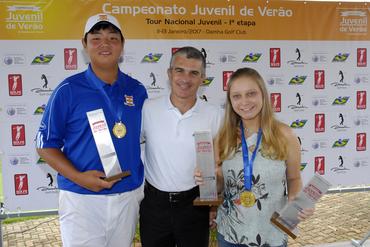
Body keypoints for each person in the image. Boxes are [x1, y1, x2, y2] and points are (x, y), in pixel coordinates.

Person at [35, 13, 147, 247]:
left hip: (127, 195)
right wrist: (79, 178)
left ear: (122, 45)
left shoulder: (137, 90)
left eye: (113, 38)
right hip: (81, 199)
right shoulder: (67, 90)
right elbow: (45, 145)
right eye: (96, 38)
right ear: (84, 45)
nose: (105, 44)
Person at [195, 67, 314, 247]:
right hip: (230, 234)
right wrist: (208, 178)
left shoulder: (285, 135)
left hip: (271, 234)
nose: (244, 102)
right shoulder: (223, 137)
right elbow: (220, 185)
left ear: (263, 95)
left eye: (251, 93)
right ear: (230, 101)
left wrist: (296, 200)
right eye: (237, 96)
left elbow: (294, 177)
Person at [139, 46, 222, 247]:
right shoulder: (148, 108)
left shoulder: (215, 115)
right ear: (169, 73)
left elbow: (220, 166)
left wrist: (213, 203)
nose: (186, 79)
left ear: (202, 78)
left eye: (194, 73)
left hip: (195, 204)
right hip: (154, 204)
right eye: (179, 70)